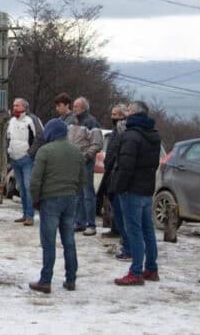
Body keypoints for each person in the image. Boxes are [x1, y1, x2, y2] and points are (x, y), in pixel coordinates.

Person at [28, 119, 84, 293]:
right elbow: (83, 180)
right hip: (71, 199)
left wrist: (35, 200)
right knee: (69, 241)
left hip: (50, 200)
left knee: (49, 242)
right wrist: (74, 193)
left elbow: (35, 180)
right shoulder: (77, 151)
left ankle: (45, 281)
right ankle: (71, 279)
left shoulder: (44, 151)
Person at [113, 101, 162, 286]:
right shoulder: (153, 134)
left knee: (134, 231)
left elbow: (126, 165)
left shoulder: (131, 135)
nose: (125, 113)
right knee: (147, 229)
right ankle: (151, 267)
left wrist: (119, 187)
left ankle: (135, 271)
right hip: (147, 188)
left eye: (128, 110)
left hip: (131, 189)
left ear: (134, 113)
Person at [67, 97, 103, 235]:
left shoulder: (91, 122)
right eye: (74, 106)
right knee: (77, 194)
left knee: (88, 194)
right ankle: (79, 222)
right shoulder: (71, 121)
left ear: (83, 108)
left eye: (76, 106)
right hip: (72, 162)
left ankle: (91, 224)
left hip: (85, 163)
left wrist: (86, 156)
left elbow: (97, 144)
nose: (74, 108)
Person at [6, 98, 43, 226]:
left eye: (17, 105)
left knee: (28, 187)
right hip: (14, 159)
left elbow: (40, 136)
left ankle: (30, 215)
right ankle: (24, 213)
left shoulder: (32, 119)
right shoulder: (11, 121)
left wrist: (30, 153)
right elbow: (9, 138)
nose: (14, 107)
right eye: (14, 105)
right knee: (21, 188)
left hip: (27, 159)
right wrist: (9, 152)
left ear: (24, 107)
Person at [97, 105, 129, 252]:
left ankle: (124, 237)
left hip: (117, 171)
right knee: (112, 202)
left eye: (116, 114)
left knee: (120, 206)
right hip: (110, 170)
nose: (113, 117)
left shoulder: (123, 131)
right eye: (112, 114)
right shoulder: (115, 131)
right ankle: (115, 229)